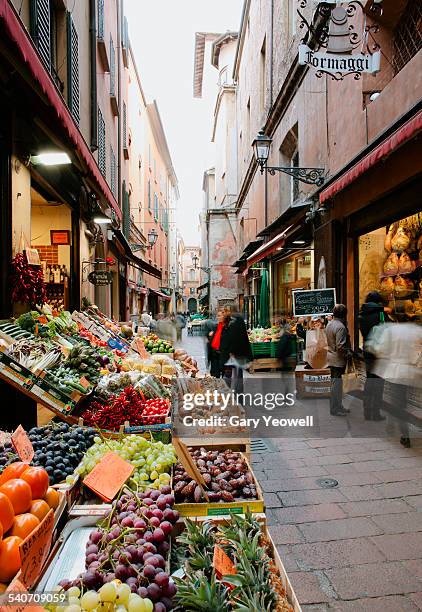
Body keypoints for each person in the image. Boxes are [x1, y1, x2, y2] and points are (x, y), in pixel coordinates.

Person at [359, 291, 387, 421]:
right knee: (379, 383)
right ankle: (376, 413)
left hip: (367, 350)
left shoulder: (361, 314)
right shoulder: (380, 313)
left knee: (369, 381)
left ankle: (366, 411)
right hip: (379, 352)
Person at [326, 304, 351, 416]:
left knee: (335, 383)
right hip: (338, 359)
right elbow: (340, 346)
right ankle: (335, 408)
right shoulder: (340, 326)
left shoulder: (330, 324)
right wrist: (348, 353)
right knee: (336, 385)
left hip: (331, 357)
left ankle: (338, 406)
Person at [219, 307, 253, 394]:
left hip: (235, 353)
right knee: (236, 374)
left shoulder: (235, 322)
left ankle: (234, 393)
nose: (223, 314)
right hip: (237, 353)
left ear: (229, 311)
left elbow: (235, 338)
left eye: (224, 312)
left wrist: (232, 351)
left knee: (234, 374)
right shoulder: (235, 321)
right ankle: (237, 393)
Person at [208, 309, 226, 377]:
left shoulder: (228, 327)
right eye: (217, 316)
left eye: (219, 316)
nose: (217, 317)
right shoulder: (217, 326)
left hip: (223, 354)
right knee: (215, 375)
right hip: (214, 354)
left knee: (225, 376)